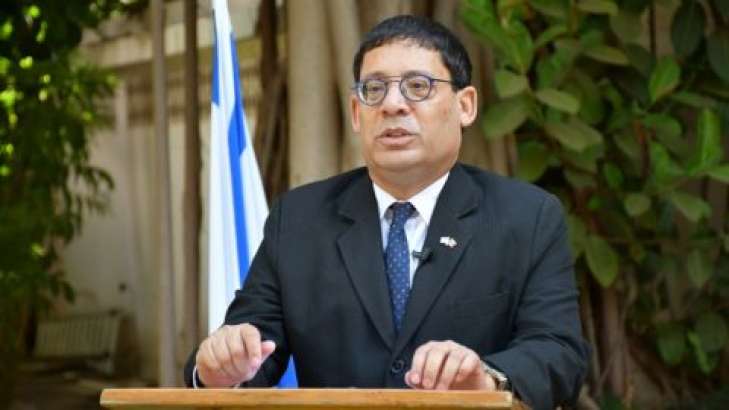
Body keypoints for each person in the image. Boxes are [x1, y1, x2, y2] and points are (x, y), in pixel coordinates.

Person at [185, 15, 589, 410]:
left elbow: (558, 351)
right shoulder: (298, 219)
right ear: (356, 113)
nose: (393, 104)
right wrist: (219, 367)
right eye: (374, 89)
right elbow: (248, 347)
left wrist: (486, 378)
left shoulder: (528, 217)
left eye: (418, 86)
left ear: (465, 106)